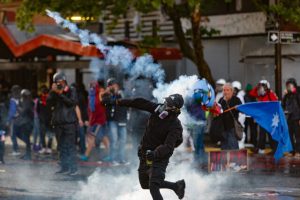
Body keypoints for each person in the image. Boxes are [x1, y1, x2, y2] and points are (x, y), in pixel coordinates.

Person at [118, 94, 186, 200]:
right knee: (145, 185)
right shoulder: (157, 109)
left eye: (168, 104)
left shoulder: (175, 125)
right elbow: (139, 103)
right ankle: (176, 186)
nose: (165, 105)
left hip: (160, 156)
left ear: (174, 109)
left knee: (153, 186)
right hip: (145, 152)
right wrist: (118, 102)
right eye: (166, 101)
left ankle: (175, 186)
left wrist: (155, 154)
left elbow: (168, 146)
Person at [47, 72, 79, 175]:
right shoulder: (54, 92)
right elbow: (48, 103)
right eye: (56, 82)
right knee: (61, 146)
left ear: (64, 81)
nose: (58, 84)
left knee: (70, 146)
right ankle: (64, 167)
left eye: (59, 81)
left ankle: (73, 168)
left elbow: (71, 103)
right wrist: (52, 92)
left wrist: (60, 94)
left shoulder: (71, 90)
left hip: (69, 122)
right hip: (58, 123)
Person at [102, 78, 128, 165]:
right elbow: (104, 102)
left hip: (122, 119)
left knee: (123, 140)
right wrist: (110, 93)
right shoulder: (106, 94)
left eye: (115, 85)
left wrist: (118, 93)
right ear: (109, 86)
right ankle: (112, 159)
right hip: (112, 120)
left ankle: (121, 159)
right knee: (114, 140)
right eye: (112, 85)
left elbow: (125, 101)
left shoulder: (121, 93)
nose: (114, 86)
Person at [80, 80, 107, 161]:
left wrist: (108, 90)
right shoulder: (91, 96)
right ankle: (109, 154)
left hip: (99, 120)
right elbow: (90, 110)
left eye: (93, 86)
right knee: (102, 137)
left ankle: (86, 155)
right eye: (90, 85)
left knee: (94, 137)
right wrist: (88, 120)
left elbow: (106, 94)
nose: (92, 87)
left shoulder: (100, 93)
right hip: (93, 120)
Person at [249, 80, 278, 154]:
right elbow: (251, 93)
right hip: (262, 117)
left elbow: (275, 104)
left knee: (271, 134)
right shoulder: (259, 96)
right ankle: (260, 148)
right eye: (260, 87)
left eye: (263, 86)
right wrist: (257, 86)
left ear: (266, 87)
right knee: (261, 133)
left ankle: (274, 149)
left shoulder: (270, 94)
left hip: (270, 117)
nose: (261, 88)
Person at [218, 83, 242, 150]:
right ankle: (225, 160)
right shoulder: (221, 100)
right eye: (224, 90)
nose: (225, 92)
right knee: (224, 148)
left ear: (232, 91)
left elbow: (243, 110)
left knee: (233, 148)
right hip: (223, 128)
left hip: (232, 128)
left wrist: (238, 108)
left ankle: (235, 160)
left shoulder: (236, 99)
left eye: (227, 90)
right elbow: (218, 111)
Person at [14, 89, 34, 160]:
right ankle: (27, 152)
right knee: (18, 134)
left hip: (27, 123)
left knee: (26, 138)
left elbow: (23, 112)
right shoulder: (25, 102)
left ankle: (28, 155)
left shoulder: (28, 102)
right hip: (25, 122)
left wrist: (18, 108)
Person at [282, 78, 300, 158]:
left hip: (297, 117)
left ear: (294, 86)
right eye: (287, 85)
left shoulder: (298, 94)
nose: (288, 87)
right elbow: (283, 105)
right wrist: (284, 96)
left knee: (297, 136)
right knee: (290, 135)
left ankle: (298, 151)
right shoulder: (287, 95)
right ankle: (291, 151)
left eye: (290, 85)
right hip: (289, 117)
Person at [6, 85, 21, 155]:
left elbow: (11, 111)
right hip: (19, 119)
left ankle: (15, 150)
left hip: (13, 120)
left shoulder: (12, 100)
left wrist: (8, 120)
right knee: (15, 134)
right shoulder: (20, 98)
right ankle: (17, 149)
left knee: (12, 135)